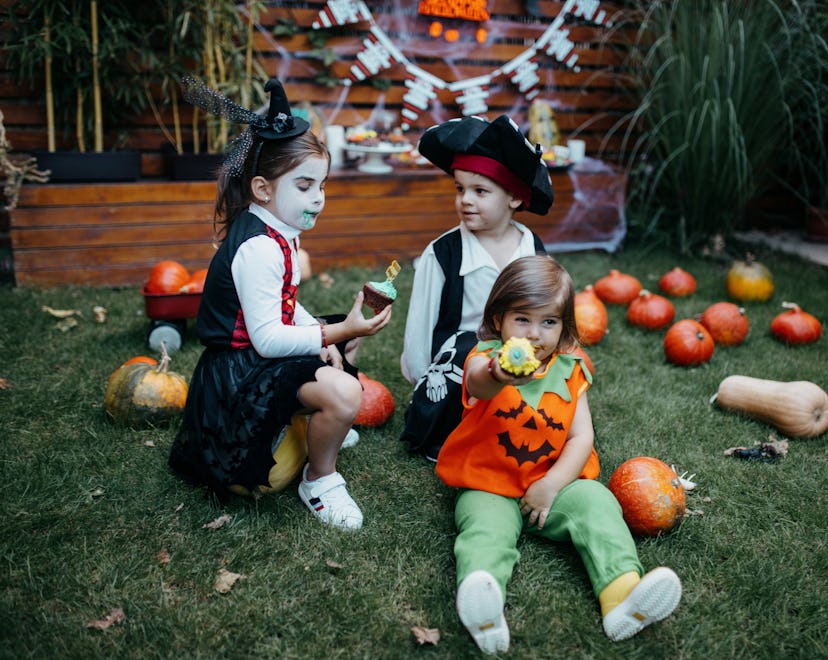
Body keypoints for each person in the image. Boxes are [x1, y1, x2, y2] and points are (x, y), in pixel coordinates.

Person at [168, 77, 392, 531]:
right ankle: (319, 478)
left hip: (256, 355)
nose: (319, 199)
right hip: (237, 374)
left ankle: (321, 429)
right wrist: (337, 331)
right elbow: (269, 339)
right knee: (346, 388)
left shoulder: (278, 231)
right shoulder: (260, 248)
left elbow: (286, 305)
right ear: (264, 189)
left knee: (339, 348)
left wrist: (329, 335)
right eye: (305, 185)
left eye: (322, 186)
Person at [436, 256, 682, 654]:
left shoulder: (572, 370)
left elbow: (581, 437)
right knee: (486, 532)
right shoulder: (484, 357)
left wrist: (551, 486)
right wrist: (500, 373)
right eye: (522, 320)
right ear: (498, 319)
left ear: (564, 326)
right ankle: (485, 603)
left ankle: (622, 596)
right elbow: (478, 385)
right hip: (488, 485)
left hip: (552, 490)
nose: (535, 335)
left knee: (598, 503)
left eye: (548, 322)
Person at [400, 114, 553, 461]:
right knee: (470, 345)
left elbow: (548, 306)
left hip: (520, 351)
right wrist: (423, 382)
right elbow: (420, 325)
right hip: (461, 365)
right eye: (460, 189)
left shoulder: (532, 248)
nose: (465, 200)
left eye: (480, 191)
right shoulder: (443, 253)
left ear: (514, 197)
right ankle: (447, 431)